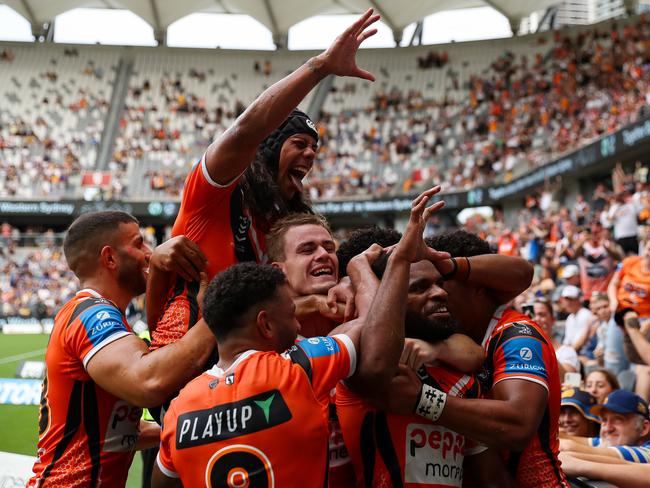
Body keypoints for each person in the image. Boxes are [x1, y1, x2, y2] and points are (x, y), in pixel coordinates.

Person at [150, 186, 450, 487]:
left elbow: (459, 344)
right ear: (277, 272)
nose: (323, 255)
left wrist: (442, 348)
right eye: (307, 250)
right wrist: (361, 270)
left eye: (329, 248)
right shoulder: (300, 361)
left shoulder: (184, 406)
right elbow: (376, 342)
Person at [147, 8, 381, 350]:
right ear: (268, 149)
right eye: (299, 143)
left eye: (314, 148)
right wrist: (320, 68)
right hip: (190, 368)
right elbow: (246, 131)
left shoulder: (280, 223)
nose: (311, 155)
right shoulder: (215, 193)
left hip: (247, 369)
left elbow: (266, 312)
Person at [27, 211, 216, 487]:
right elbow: (148, 382)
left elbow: (117, 432)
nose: (150, 254)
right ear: (110, 258)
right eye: (139, 244)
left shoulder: (98, 315)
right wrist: (217, 312)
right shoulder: (92, 315)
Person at [388, 230, 567, 487]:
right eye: (425, 286)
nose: (438, 295)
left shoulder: (516, 334)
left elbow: (518, 424)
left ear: (478, 287)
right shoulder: (457, 338)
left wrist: (421, 399)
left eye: (442, 284)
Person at [560, 389, 650, 463]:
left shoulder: (647, 452)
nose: (607, 428)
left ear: (643, 428)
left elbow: (570, 447)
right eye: (604, 420)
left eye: (618, 420)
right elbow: (569, 439)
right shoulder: (614, 439)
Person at [533, 299, 580, 377]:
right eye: (532, 315)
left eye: (541, 315)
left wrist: (541, 346)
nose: (536, 319)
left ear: (553, 320)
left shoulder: (567, 351)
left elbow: (568, 379)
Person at [559, 285, 595, 352]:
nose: (568, 303)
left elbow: (580, 344)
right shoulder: (570, 317)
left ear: (579, 300)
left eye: (571, 299)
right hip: (572, 352)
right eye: (566, 299)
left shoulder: (586, 314)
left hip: (584, 352)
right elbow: (567, 342)